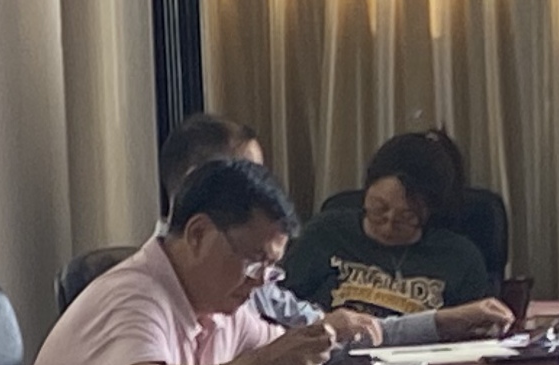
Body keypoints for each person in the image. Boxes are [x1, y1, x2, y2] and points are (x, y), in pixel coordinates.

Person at [19, 159, 336, 365]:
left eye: (270, 269)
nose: (260, 282)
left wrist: (295, 361)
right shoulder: (130, 295)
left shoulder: (221, 307)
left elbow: (279, 355)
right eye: (254, 262)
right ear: (198, 234)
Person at [153, 113, 459, 347]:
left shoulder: (250, 276)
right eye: (247, 176)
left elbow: (323, 337)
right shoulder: (146, 293)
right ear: (195, 181)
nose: (262, 189)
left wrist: (446, 321)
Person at [282, 129, 516, 334]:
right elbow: (279, 306)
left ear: (431, 213)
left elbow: (476, 330)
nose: (388, 225)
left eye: (407, 217)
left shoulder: (460, 257)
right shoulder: (326, 233)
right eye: (378, 208)